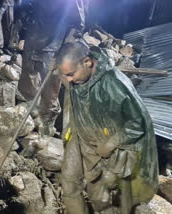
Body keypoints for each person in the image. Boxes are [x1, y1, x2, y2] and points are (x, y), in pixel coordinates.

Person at [56, 42, 159, 214]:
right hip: (81, 138)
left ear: (87, 62)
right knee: (68, 182)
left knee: (101, 199)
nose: (69, 80)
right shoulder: (78, 75)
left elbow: (137, 122)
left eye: (71, 74)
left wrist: (112, 143)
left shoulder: (113, 83)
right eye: (65, 75)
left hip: (106, 147)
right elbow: (70, 80)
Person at [18, 0, 88, 136]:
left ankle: (47, 122)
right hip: (33, 38)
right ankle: (30, 109)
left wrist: (63, 50)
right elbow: (27, 10)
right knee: (28, 74)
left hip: (53, 44)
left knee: (51, 85)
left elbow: (77, 26)